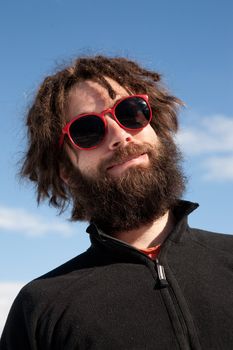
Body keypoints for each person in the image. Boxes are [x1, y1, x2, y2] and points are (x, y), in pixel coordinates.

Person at [1, 55, 233, 350]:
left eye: (130, 112)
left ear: (156, 129)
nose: (120, 135)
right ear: (67, 172)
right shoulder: (40, 308)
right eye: (88, 130)